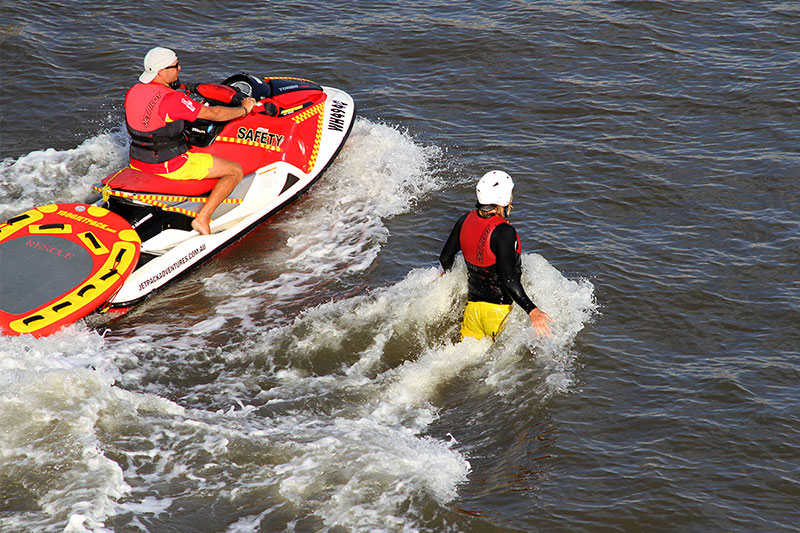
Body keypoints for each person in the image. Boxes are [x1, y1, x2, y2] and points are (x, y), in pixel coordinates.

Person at [125, 47, 257, 235]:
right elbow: (215, 113)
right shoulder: (172, 99)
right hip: (169, 165)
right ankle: (203, 218)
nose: (180, 68)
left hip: (138, 161)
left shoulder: (134, 91)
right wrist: (244, 110)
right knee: (234, 170)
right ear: (162, 72)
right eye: (176, 66)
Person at [439, 170, 553, 340]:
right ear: (505, 199)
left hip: (472, 312)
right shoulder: (503, 232)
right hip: (498, 313)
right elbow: (508, 279)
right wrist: (532, 310)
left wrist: (448, 274)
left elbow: (445, 258)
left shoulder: (464, 220)